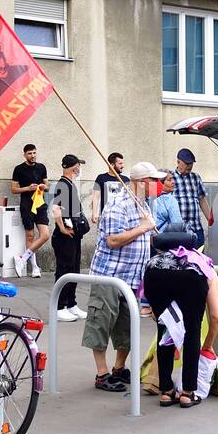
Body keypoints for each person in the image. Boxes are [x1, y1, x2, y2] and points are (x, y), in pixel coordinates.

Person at [82, 162, 159, 392]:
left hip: (132, 277)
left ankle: (119, 367)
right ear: (141, 182)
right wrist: (143, 228)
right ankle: (101, 373)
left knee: (126, 325)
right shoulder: (118, 204)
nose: (157, 185)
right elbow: (113, 240)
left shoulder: (143, 204)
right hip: (110, 275)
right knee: (101, 323)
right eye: (153, 181)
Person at [143, 240, 218, 408]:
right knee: (192, 330)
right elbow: (216, 317)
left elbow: (155, 313)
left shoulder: (155, 261)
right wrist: (207, 346)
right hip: (192, 280)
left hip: (154, 277)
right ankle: (187, 393)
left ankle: (166, 391)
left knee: (164, 328)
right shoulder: (203, 264)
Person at [50, 154, 88, 322]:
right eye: (79, 165)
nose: (80, 169)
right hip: (64, 237)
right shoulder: (62, 185)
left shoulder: (69, 184)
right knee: (64, 271)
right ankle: (59, 307)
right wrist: (62, 228)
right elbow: (56, 209)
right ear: (74, 167)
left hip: (73, 236)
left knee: (74, 271)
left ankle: (71, 304)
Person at [11, 142, 49, 278]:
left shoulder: (41, 167)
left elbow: (47, 185)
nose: (32, 155)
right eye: (29, 153)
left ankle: (22, 258)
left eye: (34, 153)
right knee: (30, 235)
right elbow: (13, 189)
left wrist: (44, 187)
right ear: (25, 155)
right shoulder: (19, 169)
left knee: (45, 234)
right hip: (27, 204)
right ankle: (34, 267)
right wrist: (28, 188)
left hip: (40, 203)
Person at [172, 148, 214, 249]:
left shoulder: (196, 177)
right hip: (179, 231)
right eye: (186, 165)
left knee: (199, 259)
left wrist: (210, 219)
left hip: (196, 228)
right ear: (178, 162)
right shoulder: (170, 178)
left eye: (190, 165)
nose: (189, 168)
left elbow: (202, 200)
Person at [91, 152, 129, 224]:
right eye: (120, 163)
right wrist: (94, 213)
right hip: (105, 217)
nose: (123, 166)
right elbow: (95, 197)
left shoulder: (126, 180)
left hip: (122, 217)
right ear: (112, 165)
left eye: (122, 163)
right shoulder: (101, 178)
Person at [149, 169, 185, 234]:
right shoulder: (170, 200)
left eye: (173, 179)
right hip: (165, 238)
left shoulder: (148, 197)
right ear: (160, 183)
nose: (173, 182)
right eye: (169, 180)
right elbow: (177, 225)